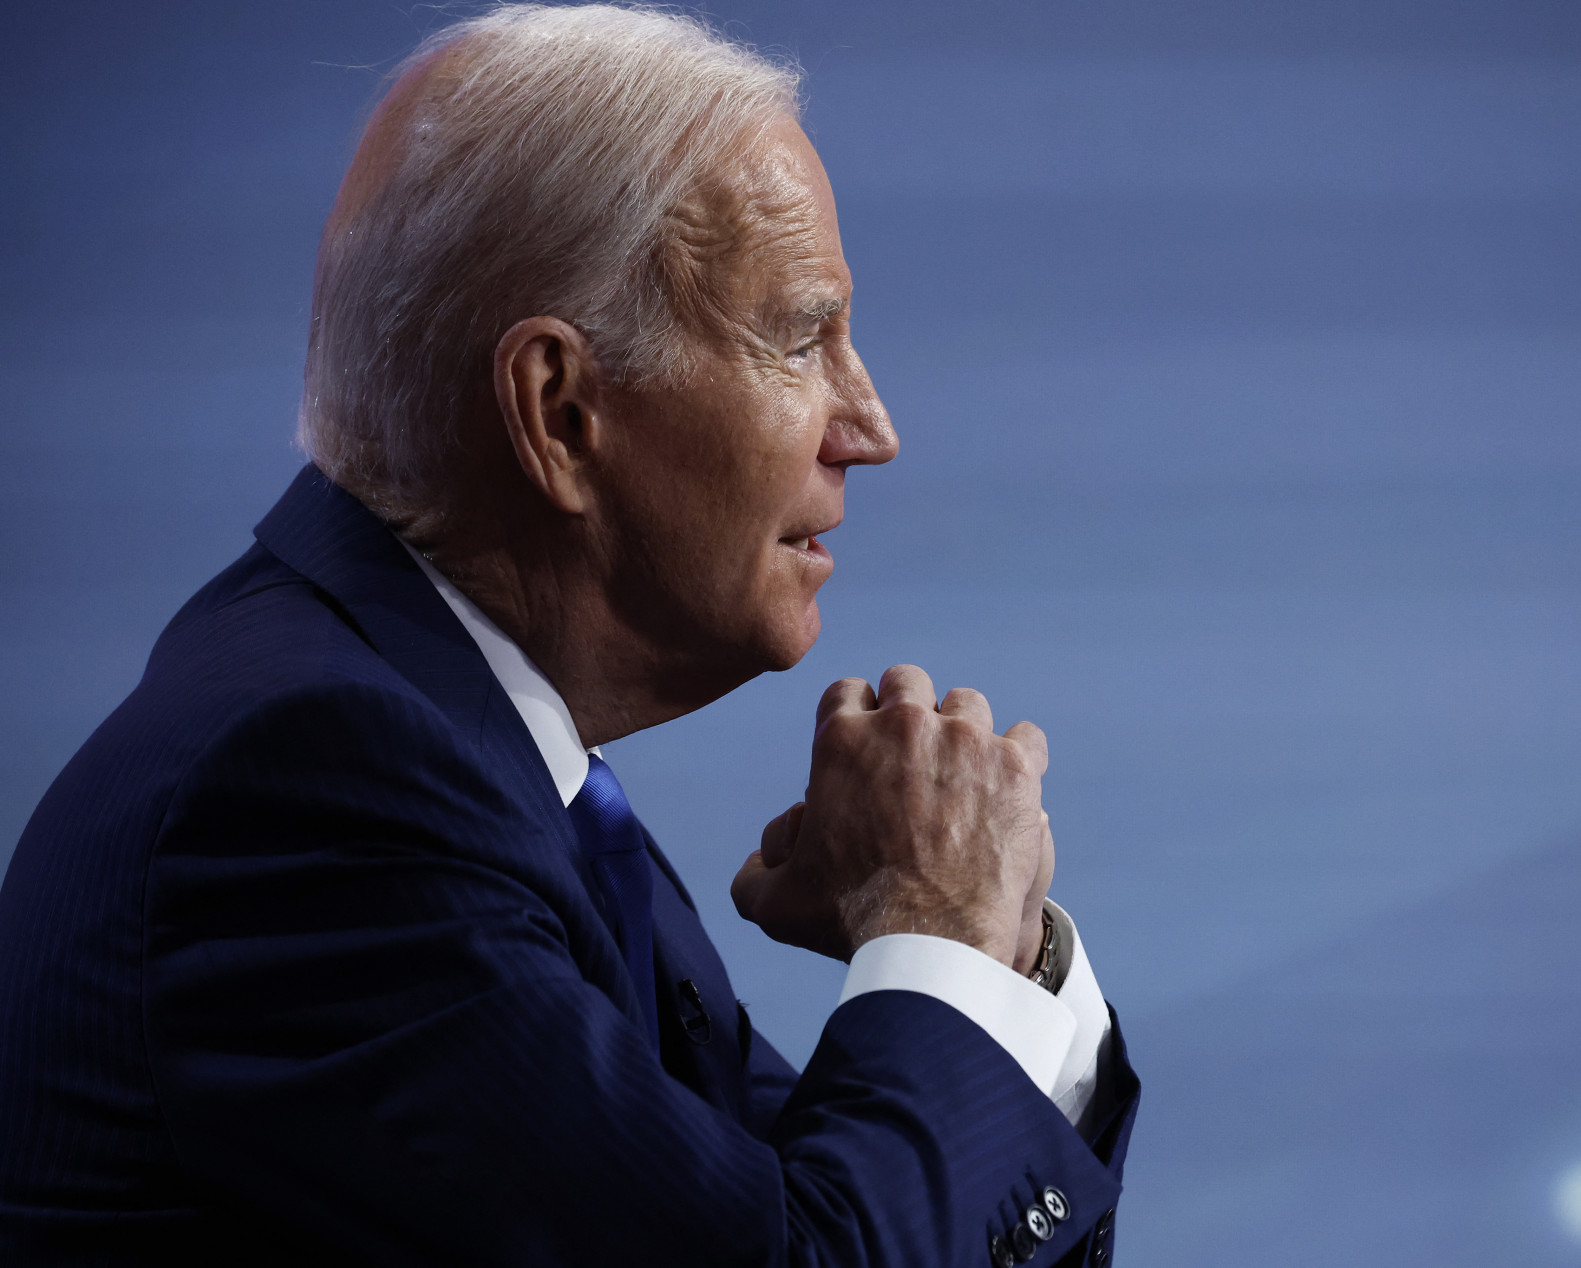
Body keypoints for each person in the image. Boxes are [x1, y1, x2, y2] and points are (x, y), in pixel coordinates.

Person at [0, 5, 1138, 1266]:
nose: (867, 426)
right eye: (801, 336)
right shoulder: (319, 791)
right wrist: (933, 924)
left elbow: (793, 1198)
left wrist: (1000, 947)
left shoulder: (486, 763)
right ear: (561, 408)